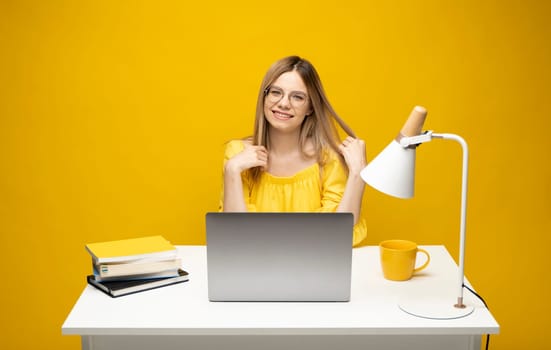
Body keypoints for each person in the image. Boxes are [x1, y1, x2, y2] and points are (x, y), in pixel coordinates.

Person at [219, 56, 367, 246]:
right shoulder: (237, 154)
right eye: (275, 92)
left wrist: (357, 175)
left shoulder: (327, 157)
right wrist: (232, 170)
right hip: (255, 268)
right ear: (264, 97)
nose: (283, 103)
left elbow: (339, 236)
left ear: (310, 107)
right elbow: (234, 237)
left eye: (297, 97)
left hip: (314, 268)